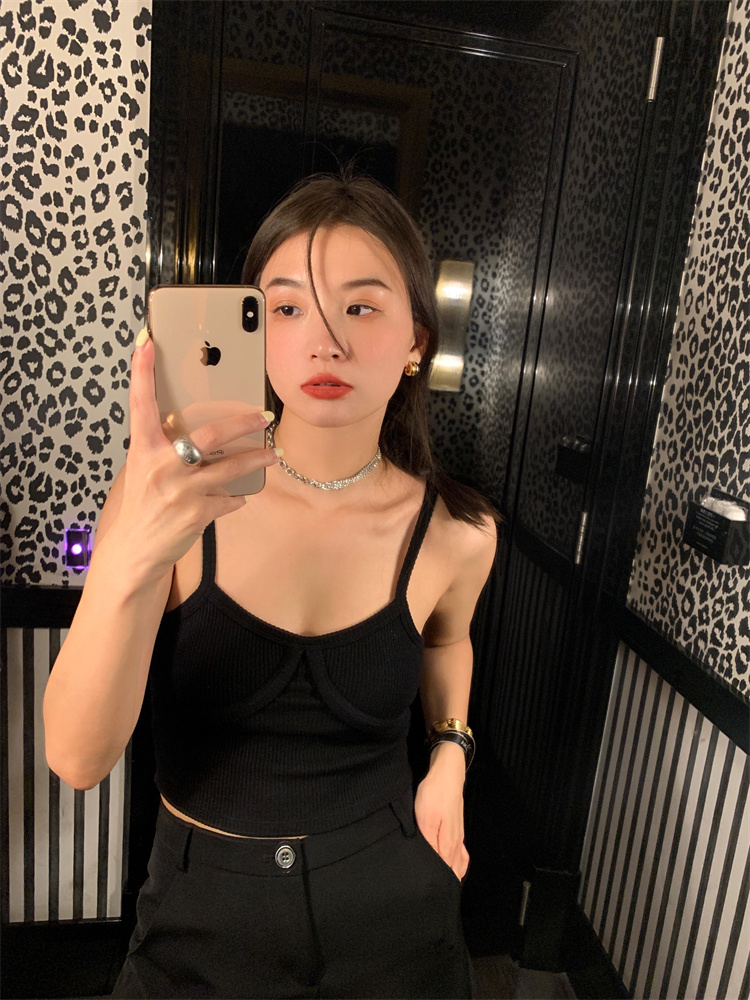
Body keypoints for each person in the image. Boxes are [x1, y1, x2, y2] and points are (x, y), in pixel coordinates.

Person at [43, 172, 498, 999]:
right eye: (286, 308)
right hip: (199, 918)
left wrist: (450, 757)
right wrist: (133, 551)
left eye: (361, 307)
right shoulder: (170, 501)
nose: (325, 341)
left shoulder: (457, 533)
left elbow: (448, 638)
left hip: (393, 910)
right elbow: (76, 758)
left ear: (416, 341)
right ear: (252, 331)